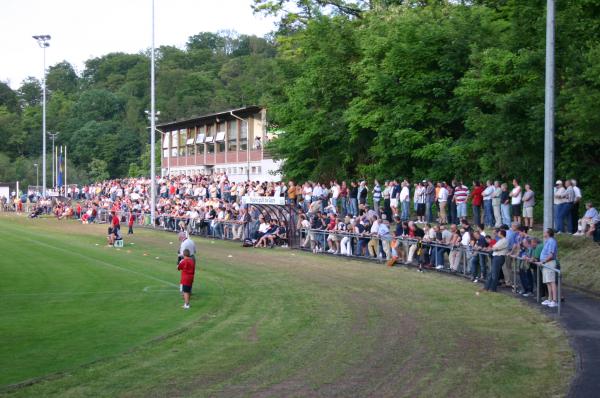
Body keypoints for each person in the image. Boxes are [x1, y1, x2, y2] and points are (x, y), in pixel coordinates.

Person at [540, 229, 559, 308]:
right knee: (548, 282)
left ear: (548, 233)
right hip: (546, 263)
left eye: (544, 232)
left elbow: (551, 254)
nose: (543, 233)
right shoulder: (548, 241)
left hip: (549, 263)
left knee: (551, 281)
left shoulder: (551, 241)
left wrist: (543, 261)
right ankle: (550, 298)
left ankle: (554, 300)